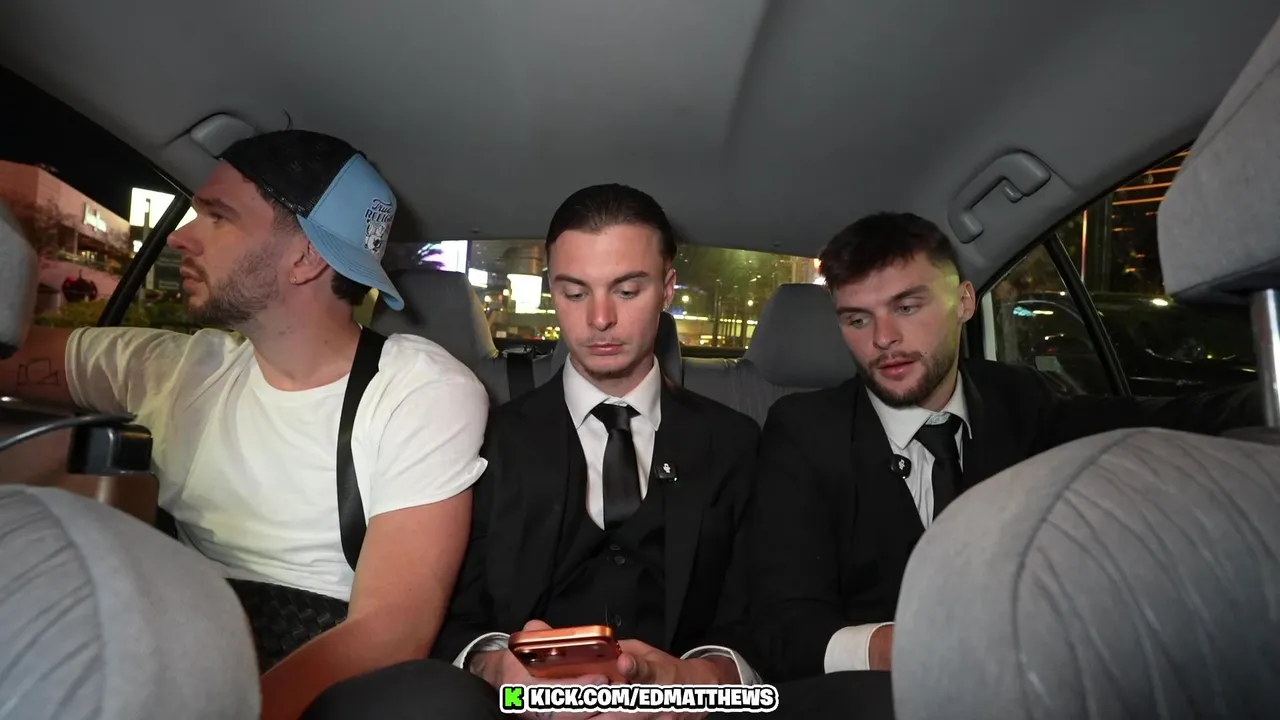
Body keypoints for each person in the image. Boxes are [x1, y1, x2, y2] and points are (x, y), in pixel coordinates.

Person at [0, 130, 490, 720]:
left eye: (218, 217)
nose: (181, 237)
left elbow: (390, 628)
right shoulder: (172, 369)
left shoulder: (417, 389)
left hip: (318, 682)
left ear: (306, 257)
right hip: (167, 644)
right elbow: (12, 347)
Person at [303, 183, 774, 719]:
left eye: (627, 291)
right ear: (552, 290)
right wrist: (497, 670)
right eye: (575, 293)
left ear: (667, 289)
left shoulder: (735, 443)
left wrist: (699, 684)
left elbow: (763, 617)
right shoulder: (485, 438)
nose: (600, 318)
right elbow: (446, 616)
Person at [746, 211, 1261, 683]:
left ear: (965, 302)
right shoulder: (805, 432)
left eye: (906, 306)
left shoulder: (1016, 397)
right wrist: (898, 648)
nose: (883, 338)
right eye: (858, 319)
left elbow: (1154, 421)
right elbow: (781, 625)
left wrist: (1268, 400)